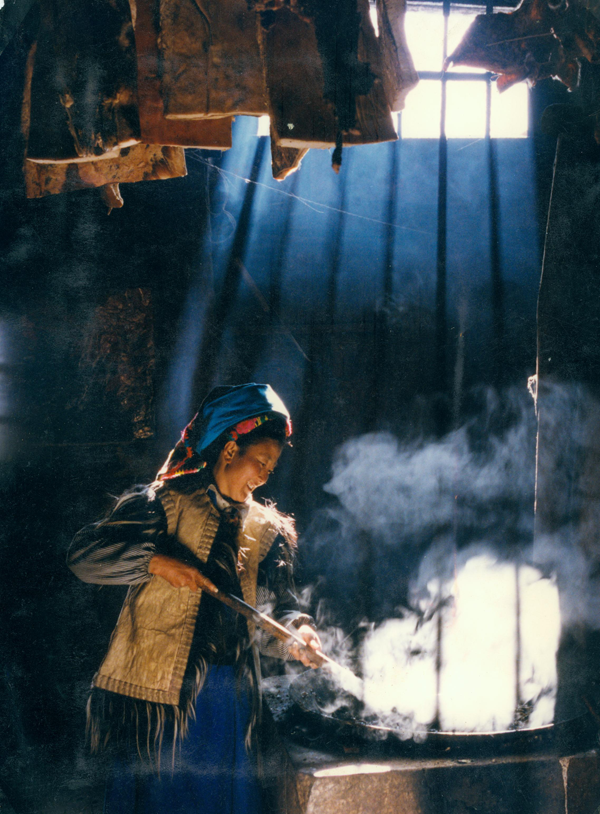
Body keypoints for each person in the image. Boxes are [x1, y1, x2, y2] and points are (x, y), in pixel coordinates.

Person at [68, 383, 321, 814]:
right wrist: (156, 562)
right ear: (230, 450)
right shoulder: (164, 504)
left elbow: (278, 608)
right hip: (157, 699)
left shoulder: (266, 531)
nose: (264, 476)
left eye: (271, 468)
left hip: (224, 701)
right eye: (260, 462)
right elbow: (84, 556)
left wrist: (299, 632)